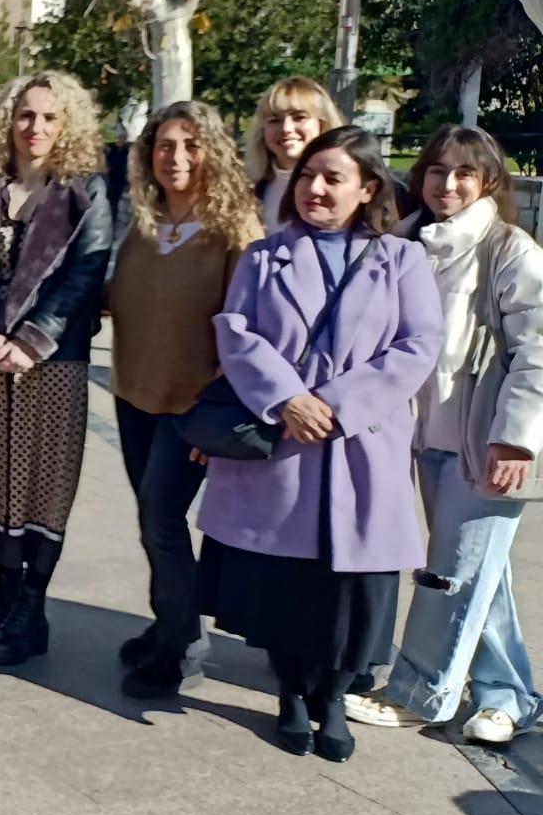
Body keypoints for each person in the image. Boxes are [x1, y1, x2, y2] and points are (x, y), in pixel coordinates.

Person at [196, 125, 440, 763]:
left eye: (334, 178)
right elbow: (236, 334)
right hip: (287, 442)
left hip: (361, 443)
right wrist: (289, 400)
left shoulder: (402, 259)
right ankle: (291, 697)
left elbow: (417, 346)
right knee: (285, 582)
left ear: (367, 189)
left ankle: (332, 695)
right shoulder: (263, 255)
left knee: (355, 587)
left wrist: (334, 405)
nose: (317, 189)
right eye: (308, 176)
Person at [347, 125, 543, 744]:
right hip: (419, 437)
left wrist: (515, 439)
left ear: (488, 181)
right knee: (478, 572)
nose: (448, 183)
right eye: (437, 170)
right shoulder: (404, 242)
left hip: (483, 440)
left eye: (464, 173)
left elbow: (537, 351)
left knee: (451, 572)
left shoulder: (508, 249)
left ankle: (419, 692)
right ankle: (508, 697)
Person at [0, 72, 112, 667]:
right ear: (9, 121)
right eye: (26, 115)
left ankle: (30, 608)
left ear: (68, 126)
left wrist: (33, 340)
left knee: (40, 487)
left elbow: (85, 275)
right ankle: (7, 596)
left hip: (51, 365)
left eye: (50, 117)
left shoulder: (86, 193)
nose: (36, 128)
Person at [106, 102, 261, 698]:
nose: (176, 157)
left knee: (162, 521)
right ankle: (170, 622)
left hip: (192, 408)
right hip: (134, 395)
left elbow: (249, 329)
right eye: (165, 145)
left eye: (191, 145)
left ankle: (179, 649)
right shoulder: (142, 226)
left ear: (212, 152)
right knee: (152, 524)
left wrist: (219, 412)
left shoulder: (234, 231)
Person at [244, 77, 343, 234]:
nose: (286, 128)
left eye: (299, 117)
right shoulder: (248, 189)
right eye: (274, 120)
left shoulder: (345, 186)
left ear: (322, 124)